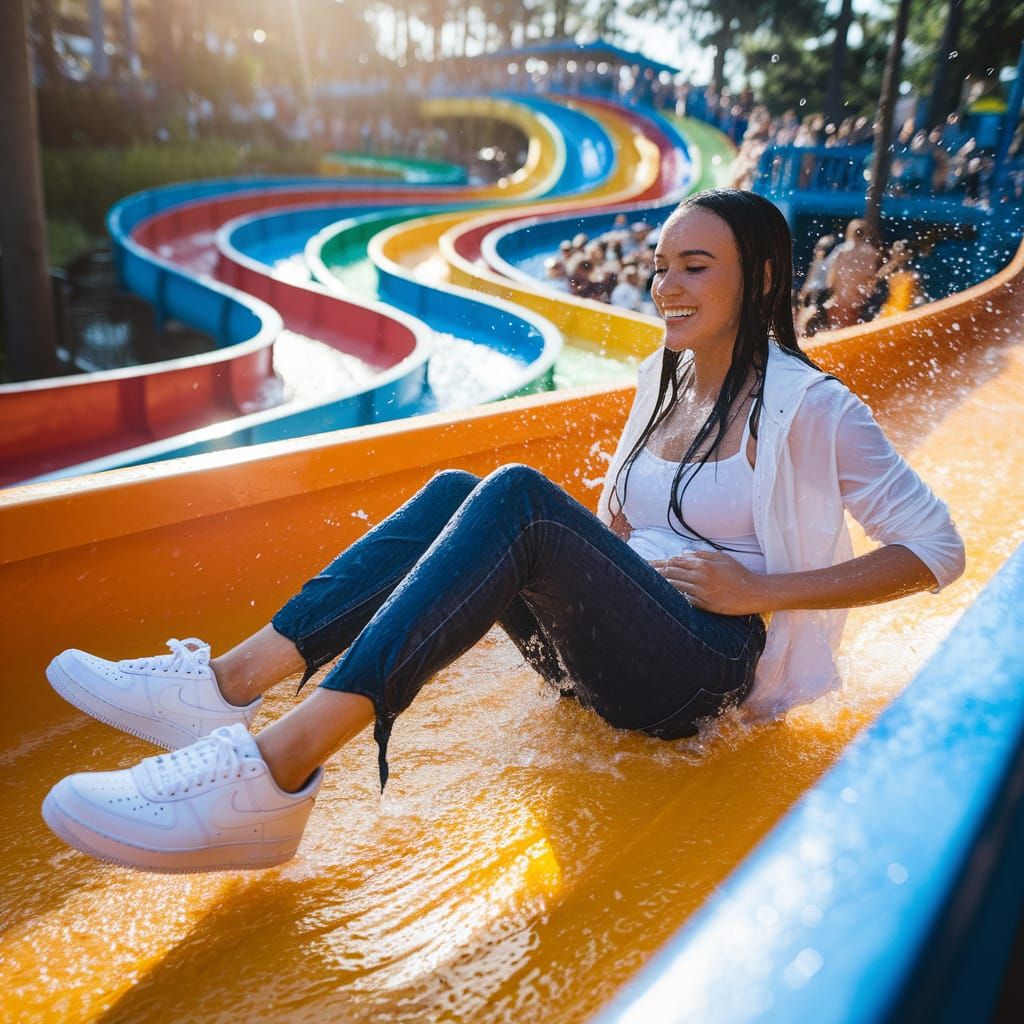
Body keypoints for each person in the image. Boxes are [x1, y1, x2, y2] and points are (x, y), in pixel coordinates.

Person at [41, 189, 965, 874]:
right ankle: (227, 684)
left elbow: (937, 551)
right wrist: (602, 547)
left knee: (517, 493)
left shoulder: (815, 407)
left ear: (759, 277)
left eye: (695, 266)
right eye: (660, 264)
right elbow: (622, 518)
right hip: (627, 647)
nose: (665, 285)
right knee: (460, 490)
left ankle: (270, 775)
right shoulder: (663, 380)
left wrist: (761, 591)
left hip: (708, 670)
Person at [825, 219, 880, 329]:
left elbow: (829, 281)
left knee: (840, 327)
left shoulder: (843, 250)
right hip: (856, 296)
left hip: (845, 296)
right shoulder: (870, 252)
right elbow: (872, 277)